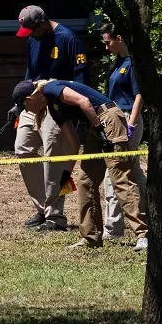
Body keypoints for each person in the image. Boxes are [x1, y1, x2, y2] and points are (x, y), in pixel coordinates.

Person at [12, 76, 146, 249]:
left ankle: (144, 235)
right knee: (85, 181)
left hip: (108, 118)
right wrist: (66, 176)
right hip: (96, 124)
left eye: (24, 107)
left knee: (120, 177)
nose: (27, 111)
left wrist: (100, 131)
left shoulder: (52, 89)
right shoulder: (53, 108)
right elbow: (73, 144)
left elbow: (83, 102)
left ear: (29, 99)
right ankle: (91, 237)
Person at [13, 5, 90, 232]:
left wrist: (75, 112)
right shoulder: (33, 39)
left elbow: (81, 78)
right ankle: (42, 208)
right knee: (22, 149)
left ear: (43, 23)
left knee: (54, 159)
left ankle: (55, 217)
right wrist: (19, 103)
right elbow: (30, 71)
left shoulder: (68, 39)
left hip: (58, 103)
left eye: (32, 30)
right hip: (32, 101)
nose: (31, 35)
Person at [99, 24, 148, 250]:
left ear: (119, 37)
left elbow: (140, 95)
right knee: (133, 171)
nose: (106, 47)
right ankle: (147, 215)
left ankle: (113, 227)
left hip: (126, 118)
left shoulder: (133, 63)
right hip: (115, 118)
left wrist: (131, 122)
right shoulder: (118, 63)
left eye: (108, 42)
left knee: (116, 170)